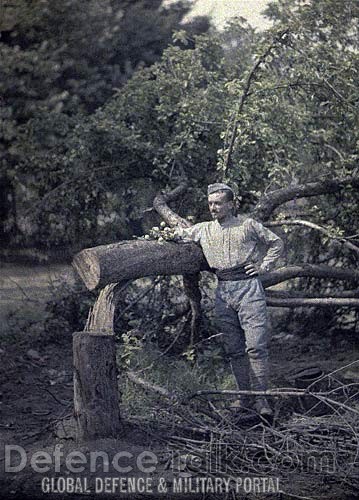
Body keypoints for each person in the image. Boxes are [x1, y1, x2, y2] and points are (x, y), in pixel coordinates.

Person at [177, 183, 284, 417]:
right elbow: (178, 236)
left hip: (249, 290)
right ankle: (244, 398)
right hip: (223, 292)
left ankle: (262, 401)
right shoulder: (203, 229)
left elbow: (276, 242)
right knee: (235, 349)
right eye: (211, 203)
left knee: (256, 347)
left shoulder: (248, 225)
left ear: (231, 204)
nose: (213, 207)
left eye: (218, 203)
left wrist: (263, 266)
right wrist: (163, 234)